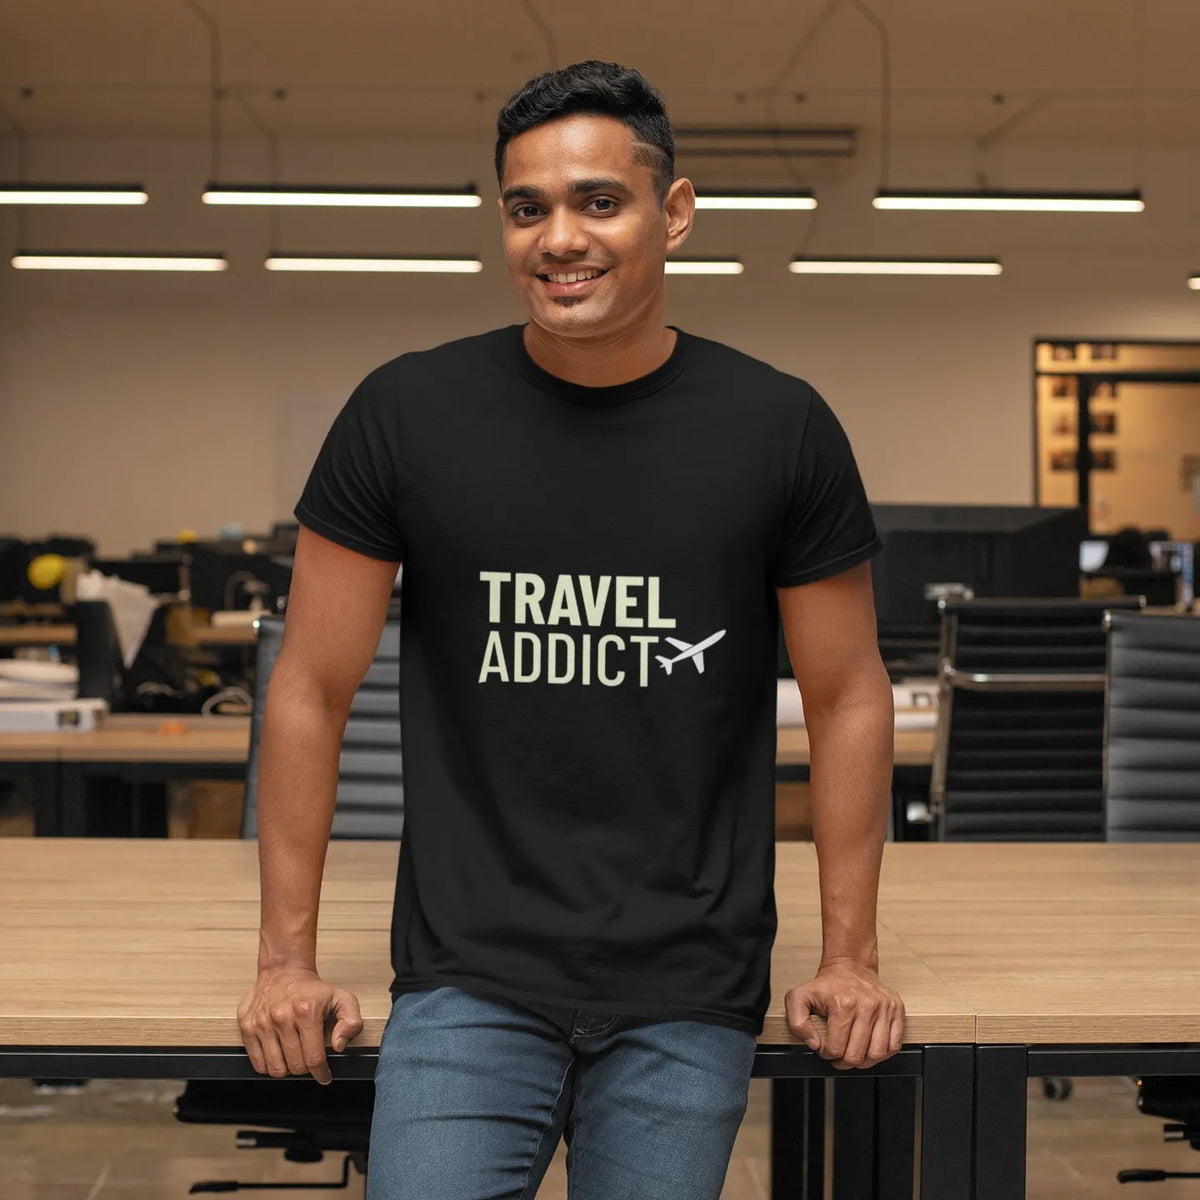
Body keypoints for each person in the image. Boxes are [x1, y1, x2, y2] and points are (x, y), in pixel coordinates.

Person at [237, 59, 903, 1200]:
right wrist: (284, 963)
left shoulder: (778, 427)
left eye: (599, 201)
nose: (560, 238)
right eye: (527, 207)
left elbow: (849, 696)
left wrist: (849, 958)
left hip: (688, 982)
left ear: (673, 214)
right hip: (468, 978)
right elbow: (308, 687)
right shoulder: (405, 414)